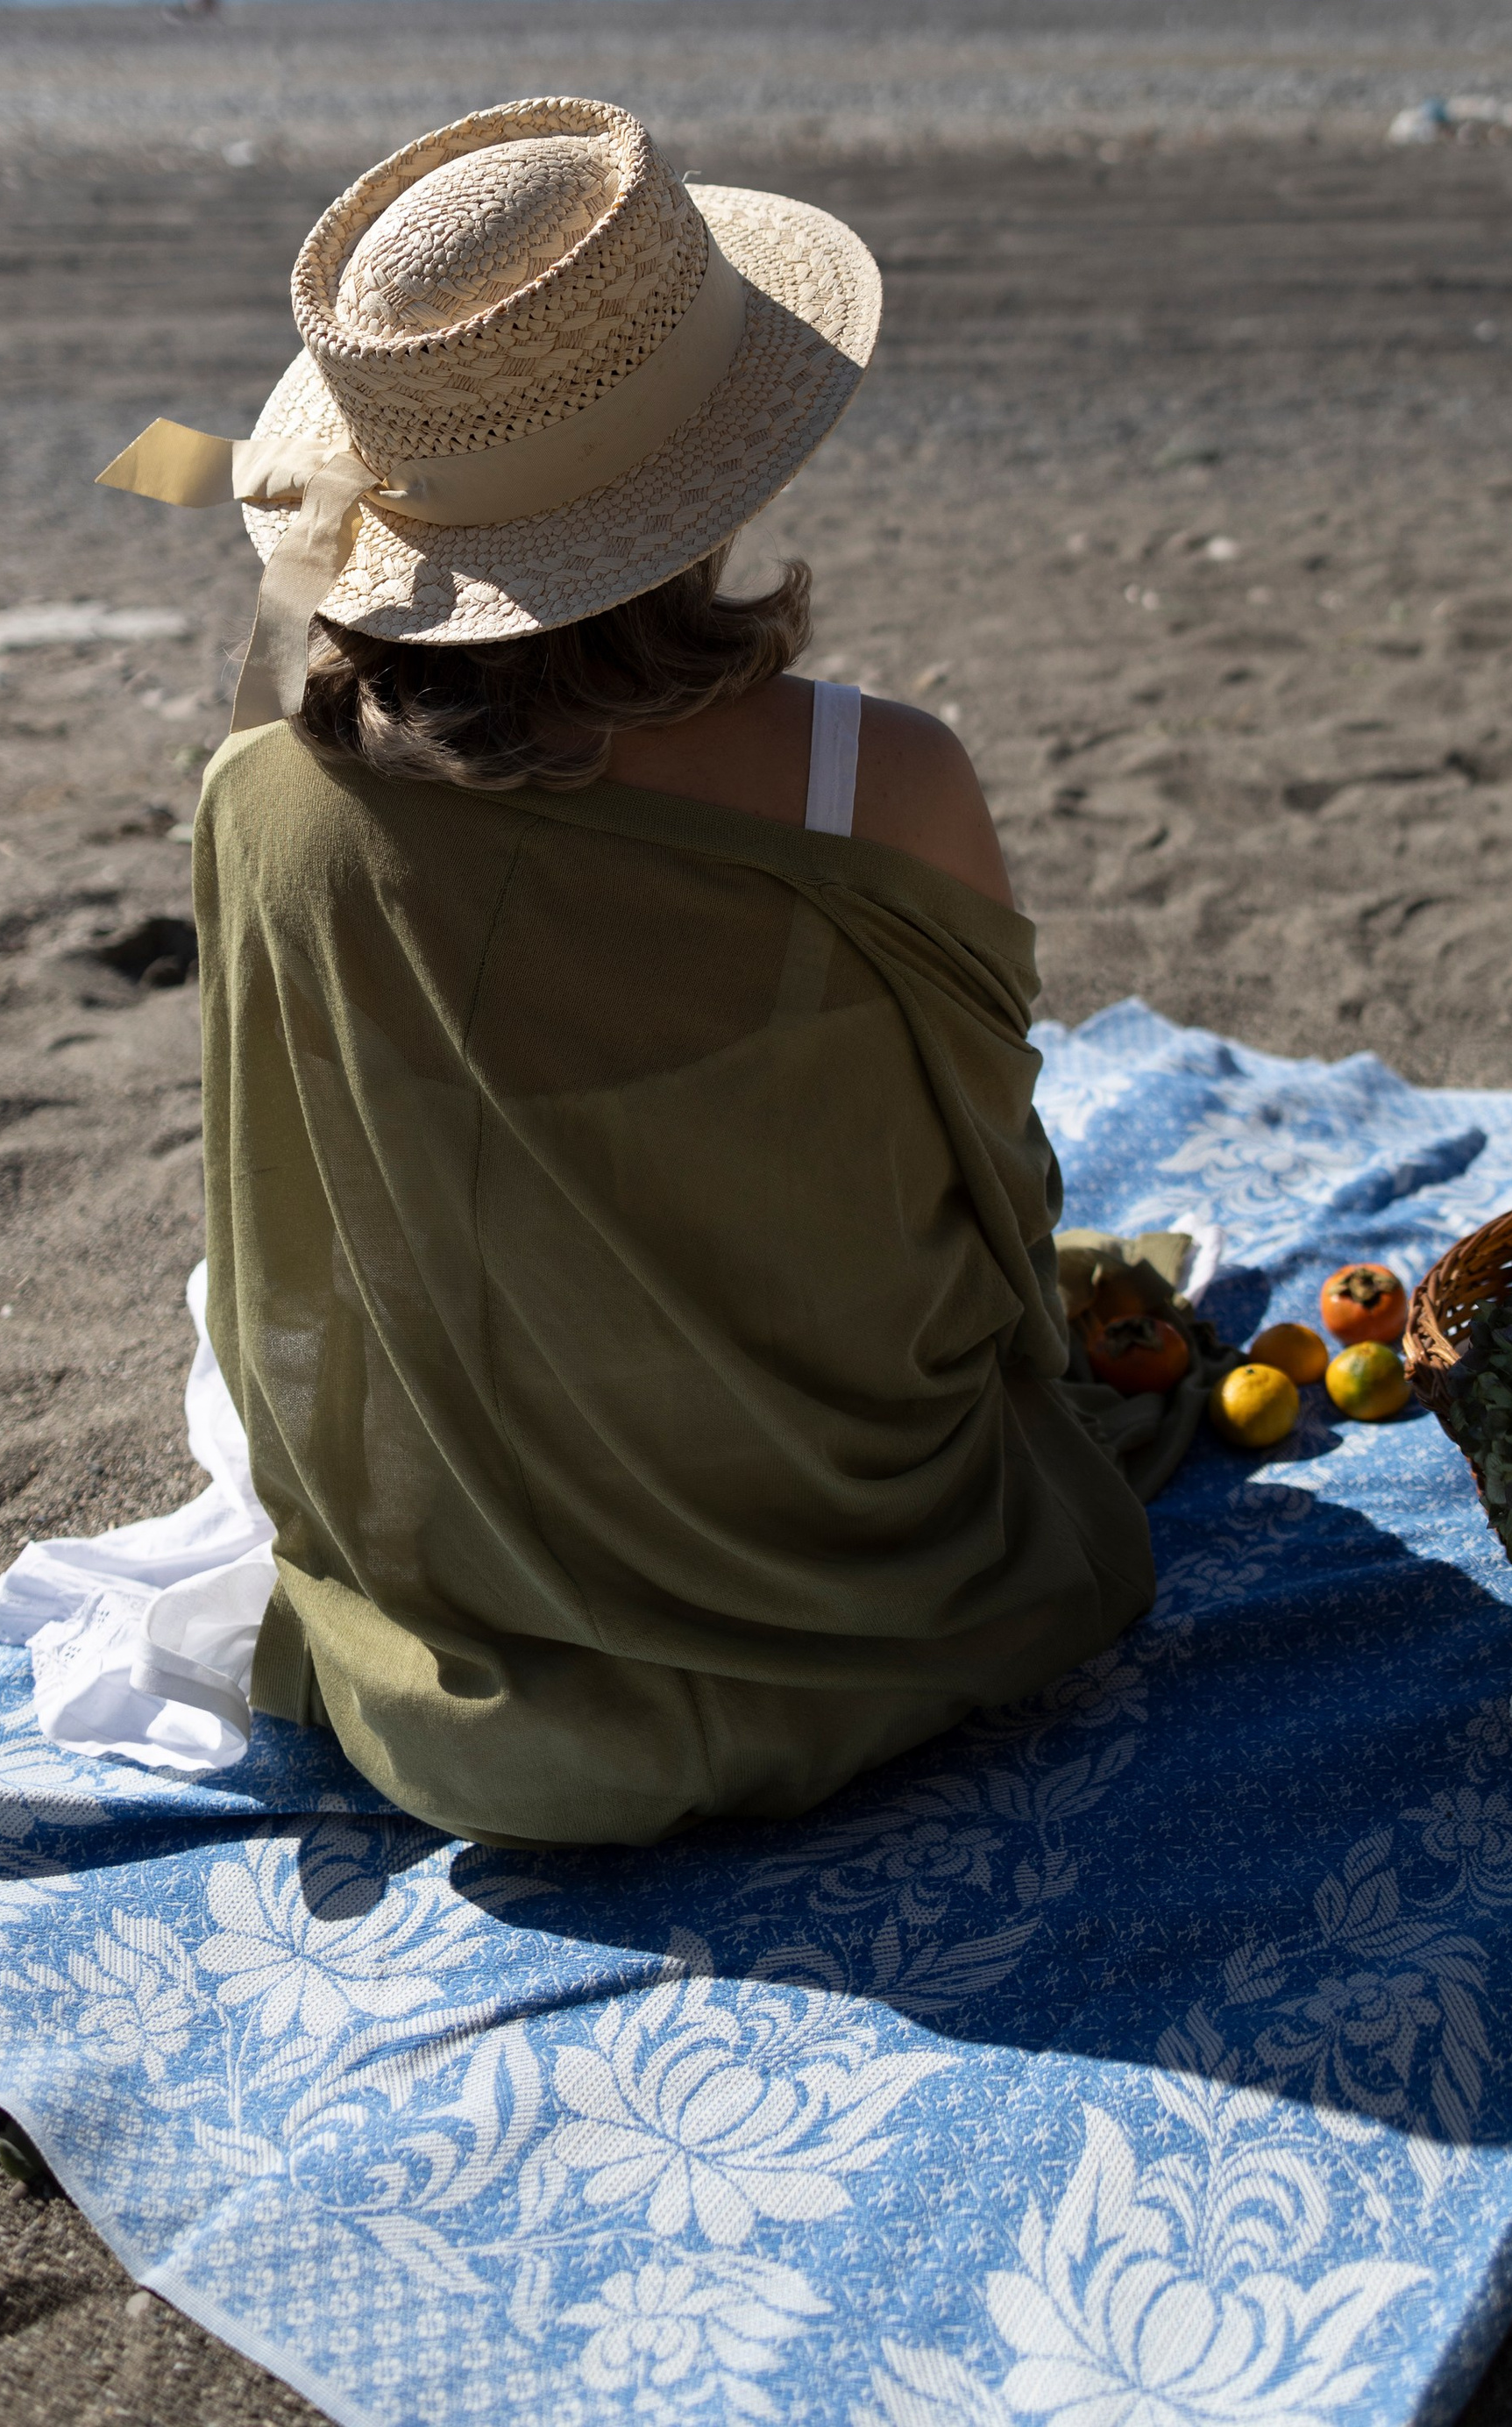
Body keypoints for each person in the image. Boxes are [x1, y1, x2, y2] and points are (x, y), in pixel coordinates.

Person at [95, 96, 1158, 1847]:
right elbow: (991, 1177)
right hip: (893, 1599)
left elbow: (296, 1205)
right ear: (718, 452)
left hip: (474, 1688)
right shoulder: (878, 781)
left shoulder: (257, 802)